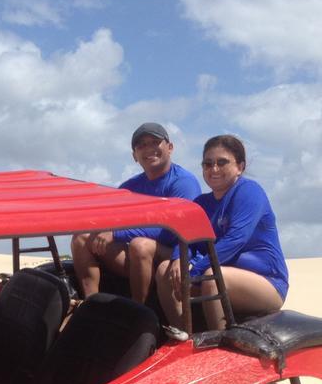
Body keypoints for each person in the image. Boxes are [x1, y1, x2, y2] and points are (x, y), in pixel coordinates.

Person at [156, 134, 288, 331]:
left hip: (267, 282)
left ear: (240, 167)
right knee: (164, 270)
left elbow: (236, 239)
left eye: (222, 162)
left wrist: (196, 270)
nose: (214, 169)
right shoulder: (202, 203)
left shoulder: (249, 191)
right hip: (222, 272)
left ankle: (219, 341)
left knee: (212, 278)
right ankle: (183, 335)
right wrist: (177, 259)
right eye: (208, 164)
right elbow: (188, 240)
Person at [70, 122, 200, 304]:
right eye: (141, 145)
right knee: (81, 237)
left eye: (155, 142)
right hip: (139, 259)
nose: (149, 149)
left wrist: (115, 233)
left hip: (177, 254)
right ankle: (90, 304)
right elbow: (106, 216)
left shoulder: (183, 182)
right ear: (134, 156)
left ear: (170, 148)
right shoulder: (130, 187)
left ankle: (139, 310)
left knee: (140, 245)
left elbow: (176, 231)